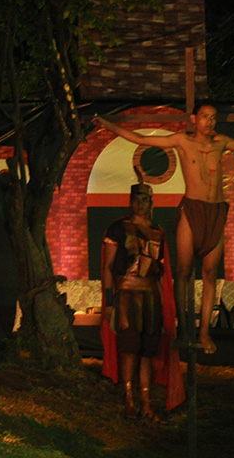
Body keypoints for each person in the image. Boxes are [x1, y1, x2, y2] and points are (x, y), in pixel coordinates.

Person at [93, 102, 234, 354]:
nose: (209, 122)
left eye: (213, 118)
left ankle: (204, 333)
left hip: (215, 211)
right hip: (192, 209)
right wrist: (108, 125)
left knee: (210, 274)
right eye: (204, 117)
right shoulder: (182, 141)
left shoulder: (220, 142)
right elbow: (140, 137)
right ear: (193, 119)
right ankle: (184, 330)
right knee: (183, 271)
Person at [100, 176, 184, 420]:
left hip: (150, 300)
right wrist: (109, 301)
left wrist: (166, 310)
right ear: (130, 201)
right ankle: (128, 400)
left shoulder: (158, 233)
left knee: (147, 351)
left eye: (143, 199)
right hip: (126, 296)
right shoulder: (118, 228)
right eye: (135, 199)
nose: (139, 204)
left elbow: (160, 274)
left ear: (151, 202)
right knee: (128, 349)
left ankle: (146, 403)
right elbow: (108, 267)